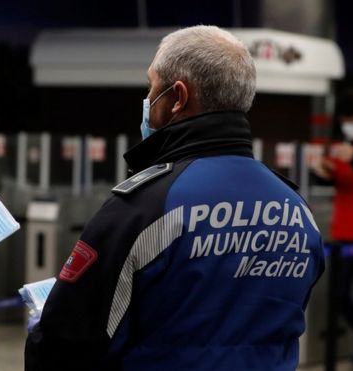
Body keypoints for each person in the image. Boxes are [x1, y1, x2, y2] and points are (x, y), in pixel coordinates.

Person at [25, 25, 325, 371]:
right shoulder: (298, 210)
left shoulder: (143, 207)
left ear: (178, 97)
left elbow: (65, 341)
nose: (148, 98)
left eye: (152, 86)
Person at [312, 88, 353, 368]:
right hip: (342, 237)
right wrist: (322, 171)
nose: (351, 123)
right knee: (341, 297)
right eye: (347, 118)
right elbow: (334, 180)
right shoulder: (340, 148)